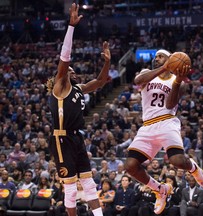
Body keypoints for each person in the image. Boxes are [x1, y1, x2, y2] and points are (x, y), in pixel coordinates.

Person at [124, 49, 203, 215]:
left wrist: (177, 81)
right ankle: (160, 190)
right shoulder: (147, 73)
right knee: (130, 166)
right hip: (147, 125)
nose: (156, 59)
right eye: (155, 57)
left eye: (161, 57)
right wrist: (164, 68)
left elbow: (170, 105)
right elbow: (137, 80)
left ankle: (193, 167)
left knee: (177, 161)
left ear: (172, 59)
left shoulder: (179, 82)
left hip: (167, 122)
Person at [46, 3, 111, 216]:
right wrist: (71, 27)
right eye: (70, 71)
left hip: (76, 138)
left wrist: (107, 62)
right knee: (71, 188)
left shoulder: (79, 89)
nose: (73, 72)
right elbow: (65, 58)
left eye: (73, 71)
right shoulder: (61, 86)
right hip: (61, 139)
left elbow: (101, 81)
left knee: (90, 183)